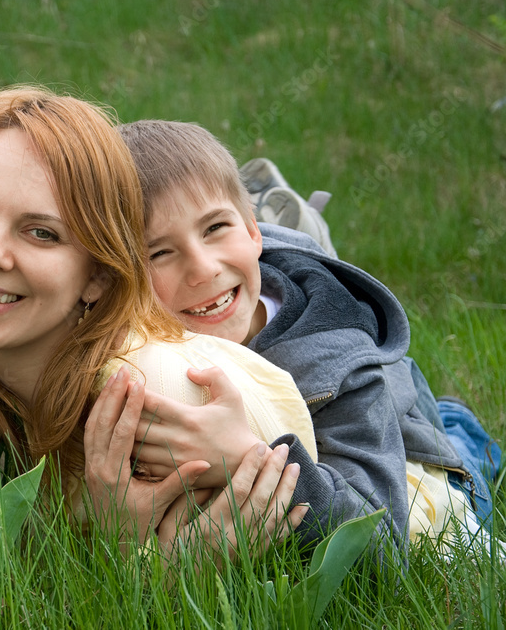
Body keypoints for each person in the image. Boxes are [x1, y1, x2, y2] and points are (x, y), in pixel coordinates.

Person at [0, 87, 310, 556]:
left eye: (41, 232)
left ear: (97, 274)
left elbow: (338, 568)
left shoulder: (162, 401)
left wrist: (156, 572)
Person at [117, 119, 501, 548]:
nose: (203, 268)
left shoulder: (332, 354)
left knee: (457, 477)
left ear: (251, 229)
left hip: (405, 456)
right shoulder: (130, 343)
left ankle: (462, 426)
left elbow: (383, 543)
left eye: (215, 228)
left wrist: (248, 459)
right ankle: (305, 237)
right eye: (159, 252)